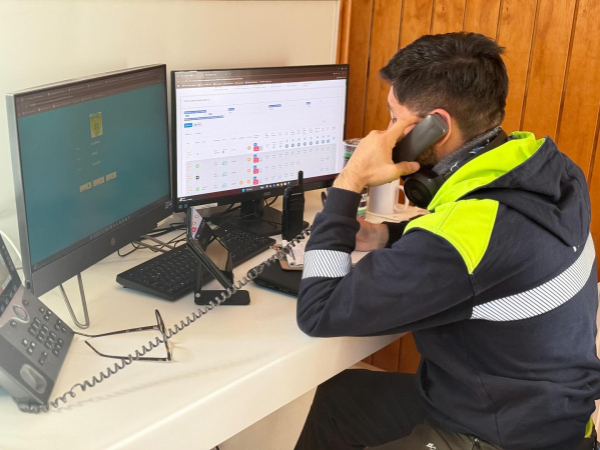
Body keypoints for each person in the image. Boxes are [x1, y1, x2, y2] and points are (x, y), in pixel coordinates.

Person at [294, 32, 600, 450]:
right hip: (550, 413)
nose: (387, 132)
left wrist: (350, 181)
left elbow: (319, 312)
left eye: (395, 117)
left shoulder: (460, 239)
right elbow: (491, 246)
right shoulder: (552, 171)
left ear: (435, 127)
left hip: (499, 435)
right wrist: (384, 234)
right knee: (340, 398)